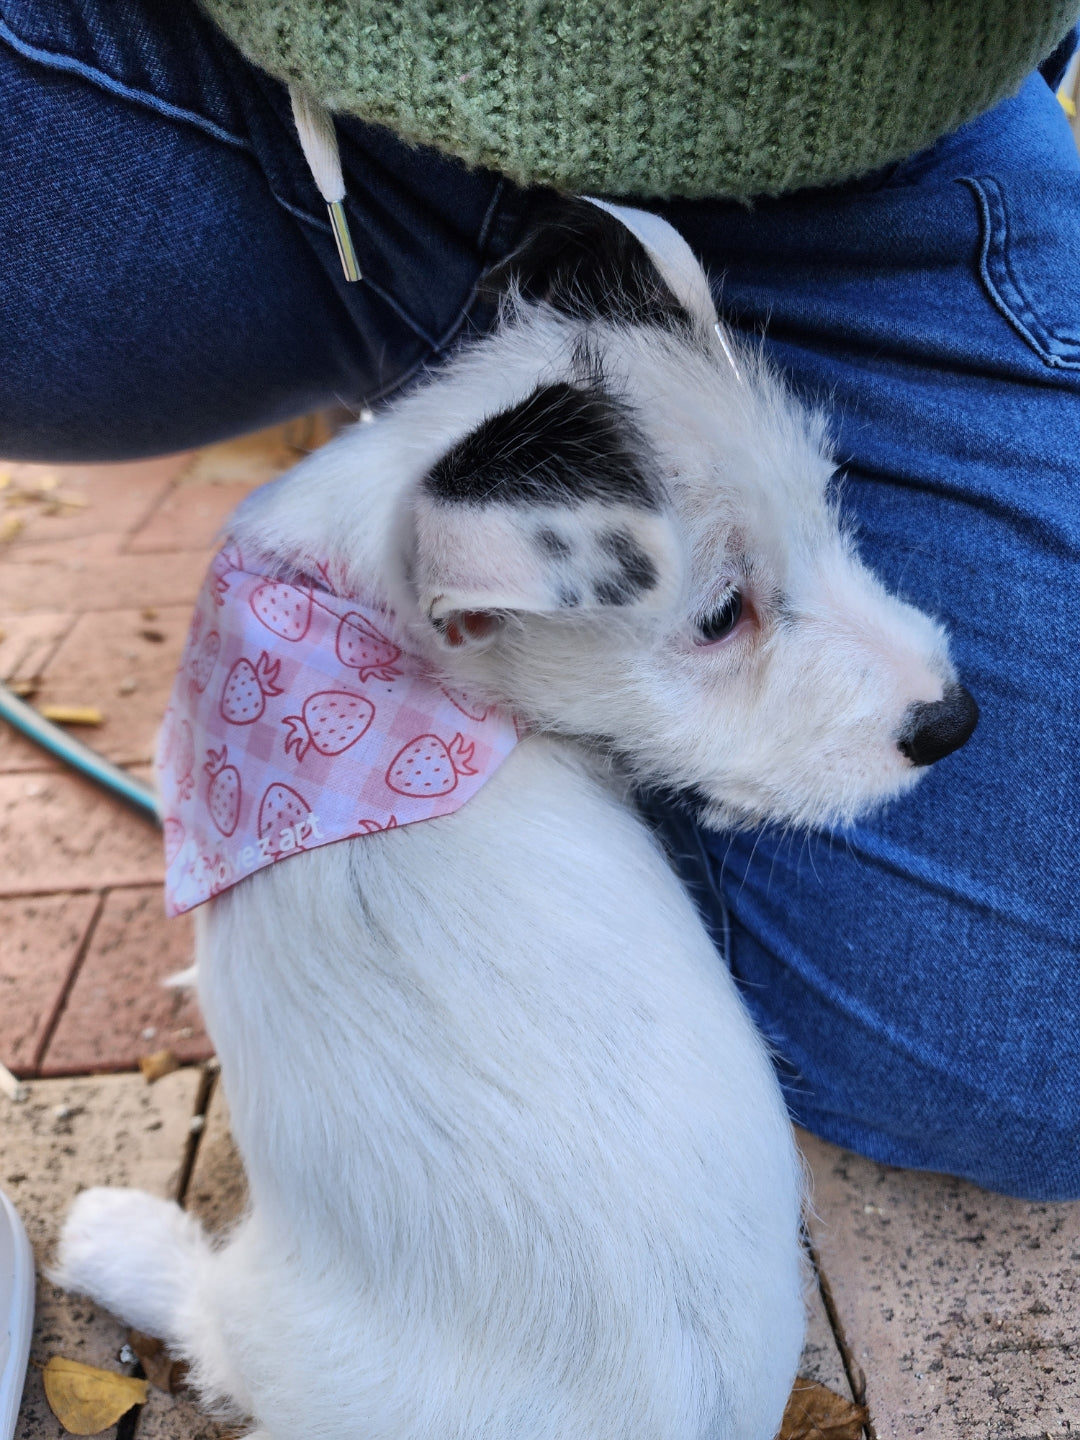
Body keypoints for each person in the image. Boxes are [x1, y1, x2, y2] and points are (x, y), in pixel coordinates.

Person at [3, 0, 1079, 1198]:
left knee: (1028, 1067)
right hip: (212, 64)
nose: (920, 674)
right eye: (723, 615)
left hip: (808, 153)